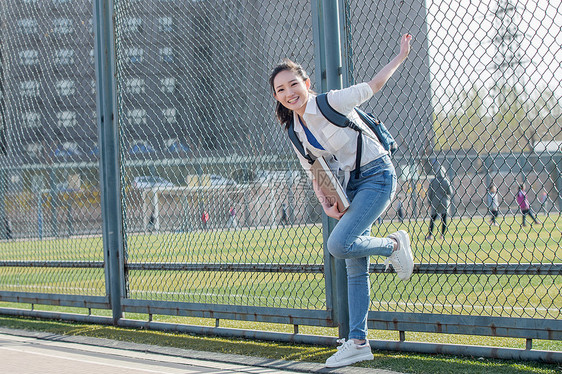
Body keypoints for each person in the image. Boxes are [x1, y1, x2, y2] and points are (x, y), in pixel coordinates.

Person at [269, 33, 414, 368]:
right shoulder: (294, 129)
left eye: (293, 85)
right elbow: (313, 168)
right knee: (353, 261)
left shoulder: (330, 102)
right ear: (276, 96)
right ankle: (359, 342)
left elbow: (374, 85)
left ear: (306, 83)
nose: (289, 93)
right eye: (280, 90)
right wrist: (326, 201)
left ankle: (393, 246)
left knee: (339, 245)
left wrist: (401, 56)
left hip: (378, 175)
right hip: (348, 188)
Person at [426, 165, 452, 240]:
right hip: (444, 202)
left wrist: (429, 202)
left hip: (435, 202)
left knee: (432, 219)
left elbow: (429, 193)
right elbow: (450, 192)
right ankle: (442, 235)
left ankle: (430, 235)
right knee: (444, 219)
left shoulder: (433, 181)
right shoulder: (446, 181)